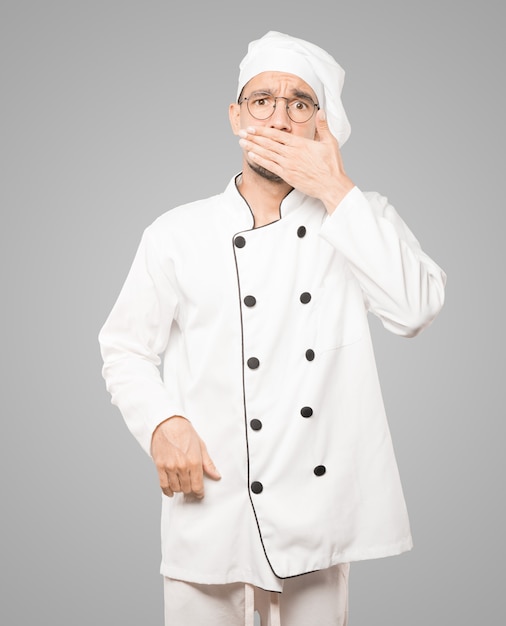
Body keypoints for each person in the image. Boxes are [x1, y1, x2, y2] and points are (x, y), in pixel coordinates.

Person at [99, 31, 446, 626]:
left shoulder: (360, 218)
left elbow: (413, 310)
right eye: (262, 101)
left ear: (322, 126)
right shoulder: (176, 233)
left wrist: (336, 187)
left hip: (316, 522)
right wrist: (162, 422)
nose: (279, 119)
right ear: (236, 115)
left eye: (300, 103)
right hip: (209, 507)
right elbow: (124, 349)